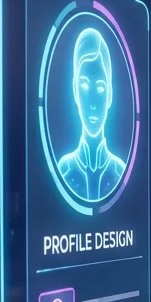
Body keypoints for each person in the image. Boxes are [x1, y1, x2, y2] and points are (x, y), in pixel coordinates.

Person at [57, 26, 127, 202]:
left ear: (110, 95)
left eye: (101, 87)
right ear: (75, 90)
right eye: (85, 86)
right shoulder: (63, 170)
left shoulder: (120, 172)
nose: (93, 103)